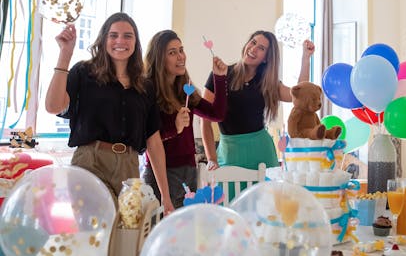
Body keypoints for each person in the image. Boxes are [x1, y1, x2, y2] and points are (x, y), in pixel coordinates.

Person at [45, 12, 174, 215]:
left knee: (127, 236)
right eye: (113, 35)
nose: (120, 41)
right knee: (96, 231)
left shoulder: (145, 86)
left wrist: (165, 196)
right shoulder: (84, 72)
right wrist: (65, 54)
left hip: (129, 166)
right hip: (90, 160)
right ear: (104, 39)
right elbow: (53, 106)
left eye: (127, 36)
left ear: (135, 42)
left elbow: (154, 143)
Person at [201, 30, 315, 170]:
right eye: (253, 42)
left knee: (265, 192)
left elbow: (299, 95)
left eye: (261, 48)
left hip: (261, 153)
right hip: (229, 153)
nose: (253, 49)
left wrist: (305, 59)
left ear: (266, 58)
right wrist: (212, 159)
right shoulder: (220, 75)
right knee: (229, 192)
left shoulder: (267, 82)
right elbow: (204, 121)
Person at [142, 30, 228, 208]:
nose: (181, 56)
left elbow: (217, 114)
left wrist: (219, 78)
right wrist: (175, 128)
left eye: (181, 50)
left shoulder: (185, 89)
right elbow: (146, 139)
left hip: (189, 171)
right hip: (162, 175)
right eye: (172, 52)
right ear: (159, 58)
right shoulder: (147, 90)